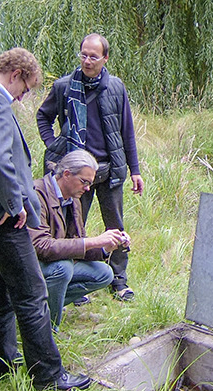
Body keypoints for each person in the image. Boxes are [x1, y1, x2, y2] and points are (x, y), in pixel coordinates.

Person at [0, 48, 90, 390]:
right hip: (3, 220)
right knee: (31, 293)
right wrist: (12, 205)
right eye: (25, 88)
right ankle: (49, 377)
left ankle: (3, 367)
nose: (23, 97)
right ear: (15, 73)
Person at [37, 33, 144, 302]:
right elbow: (43, 116)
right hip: (76, 173)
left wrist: (135, 170)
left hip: (109, 171)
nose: (87, 60)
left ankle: (119, 281)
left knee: (115, 225)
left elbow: (126, 131)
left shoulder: (116, 88)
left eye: (93, 56)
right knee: (72, 227)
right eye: (83, 55)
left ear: (105, 58)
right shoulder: (63, 87)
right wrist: (55, 145)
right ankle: (75, 283)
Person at [28, 150, 131, 332]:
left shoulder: (73, 198)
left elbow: (77, 244)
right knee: (63, 269)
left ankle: (37, 309)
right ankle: (48, 329)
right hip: (31, 267)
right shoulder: (37, 194)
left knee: (104, 274)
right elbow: (41, 247)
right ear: (66, 174)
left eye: (90, 183)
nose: (88, 189)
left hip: (55, 262)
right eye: (84, 182)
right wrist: (92, 241)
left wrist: (106, 246)